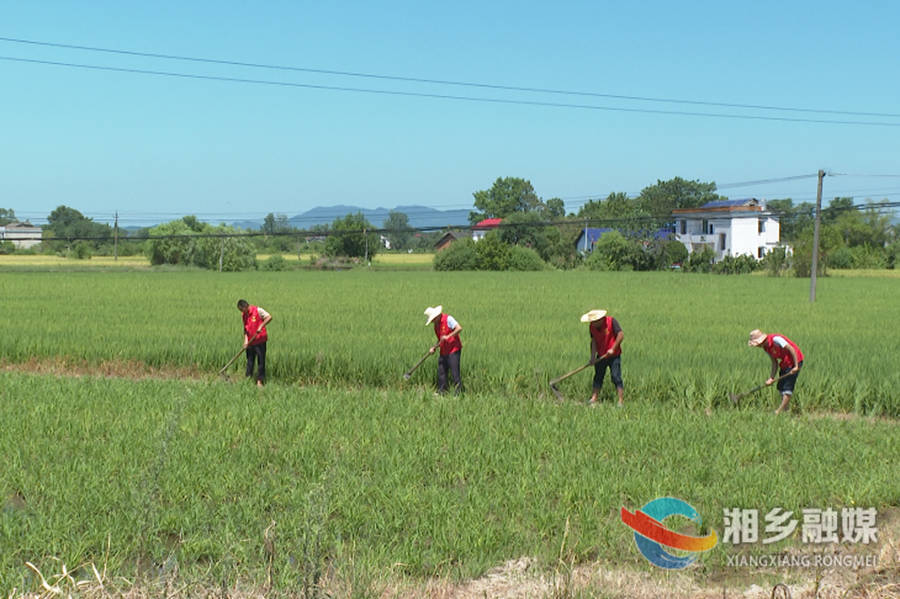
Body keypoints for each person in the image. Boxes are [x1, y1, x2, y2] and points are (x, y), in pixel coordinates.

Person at [748, 329, 804, 414]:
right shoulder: (766, 348)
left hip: (795, 361)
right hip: (785, 364)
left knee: (787, 388)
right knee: (781, 387)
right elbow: (774, 362)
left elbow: (791, 349)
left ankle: (778, 412)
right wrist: (771, 378)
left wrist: (796, 366)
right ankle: (786, 410)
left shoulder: (776, 339)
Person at [581, 309, 624, 407]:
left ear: (600, 319)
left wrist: (613, 349)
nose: (592, 323)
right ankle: (594, 398)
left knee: (616, 377)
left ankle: (620, 401)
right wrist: (592, 357)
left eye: (594, 321)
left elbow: (621, 335)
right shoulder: (592, 327)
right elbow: (594, 342)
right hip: (601, 355)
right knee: (598, 376)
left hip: (614, 355)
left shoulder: (611, 321)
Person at [424, 305, 463, 394]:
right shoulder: (436, 326)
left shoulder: (448, 319)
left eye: (433, 319)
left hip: (453, 349)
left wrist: (448, 336)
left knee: (455, 373)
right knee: (441, 371)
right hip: (444, 351)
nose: (432, 322)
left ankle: (458, 393)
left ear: (437, 316)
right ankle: (442, 391)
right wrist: (434, 347)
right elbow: (440, 339)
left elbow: (459, 328)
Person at [237, 299, 272, 387]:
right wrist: (245, 341)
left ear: (245, 307)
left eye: (242, 310)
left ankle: (259, 381)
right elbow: (245, 329)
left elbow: (269, 317)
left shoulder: (258, 310)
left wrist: (261, 325)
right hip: (250, 342)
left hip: (260, 341)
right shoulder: (244, 315)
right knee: (250, 361)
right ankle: (248, 379)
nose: (241, 312)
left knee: (261, 361)